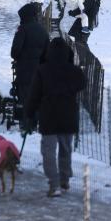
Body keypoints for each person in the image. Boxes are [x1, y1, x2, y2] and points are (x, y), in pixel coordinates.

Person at [24, 37, 86, 197]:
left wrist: (29, 114)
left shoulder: (42, 71)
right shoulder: (74, 72)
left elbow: (34, 95)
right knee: (66, 149)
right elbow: (82, 83)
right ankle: (65, 179)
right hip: (68, 116)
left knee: (48, 151)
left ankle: (54, 184)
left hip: (49, 116)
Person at [10, 3, 49, 108]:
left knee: (24, 101)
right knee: (36, 99)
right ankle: (35, 121)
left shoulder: (22, 29)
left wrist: (19, 58)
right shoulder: (43, 30)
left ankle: (26, 122)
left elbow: (15, 51)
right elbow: (47, 53)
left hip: (24, 72)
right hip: (39, 72)